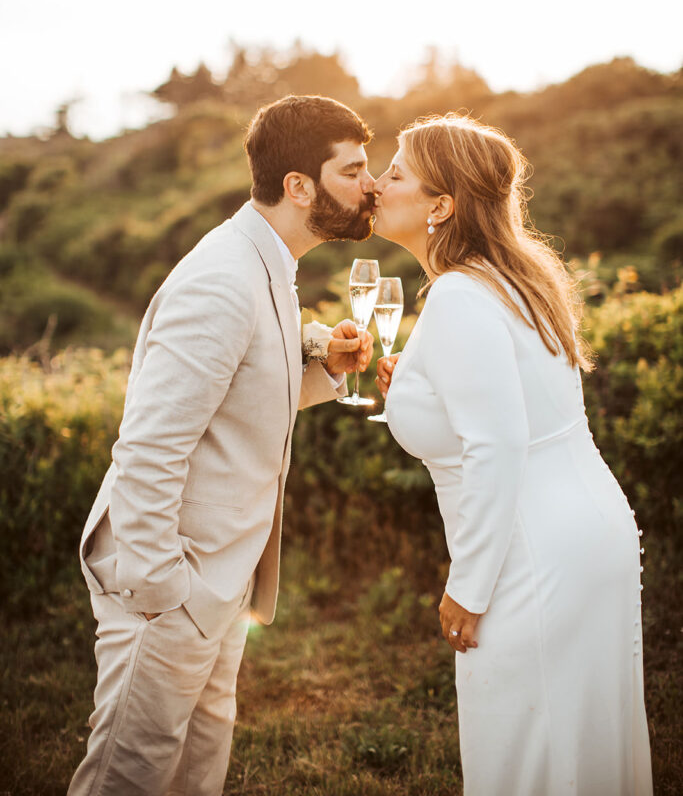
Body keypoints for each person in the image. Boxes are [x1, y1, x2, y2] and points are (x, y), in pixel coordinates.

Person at [68, 94, 376, 796]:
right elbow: (148, 448)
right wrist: (161, 590)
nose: (371, 185)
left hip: (218, 582)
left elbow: (238, 401)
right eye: (354, 170)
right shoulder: (222, 281)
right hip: (171, 583)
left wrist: (328, 368)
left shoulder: (268, 263)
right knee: (129, 777)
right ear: (300, 186)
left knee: (192, 778)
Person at [373, 112, 653, 796]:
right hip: (590, 531)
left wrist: (468, 586)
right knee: (583, 744)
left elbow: (495, 446)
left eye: (395, 172)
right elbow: (512, 403)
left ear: (439, 205)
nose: (377, 183)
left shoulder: (460, 296)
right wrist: (414, 380)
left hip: (530, 553)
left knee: (523, 754)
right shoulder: (509, 279)